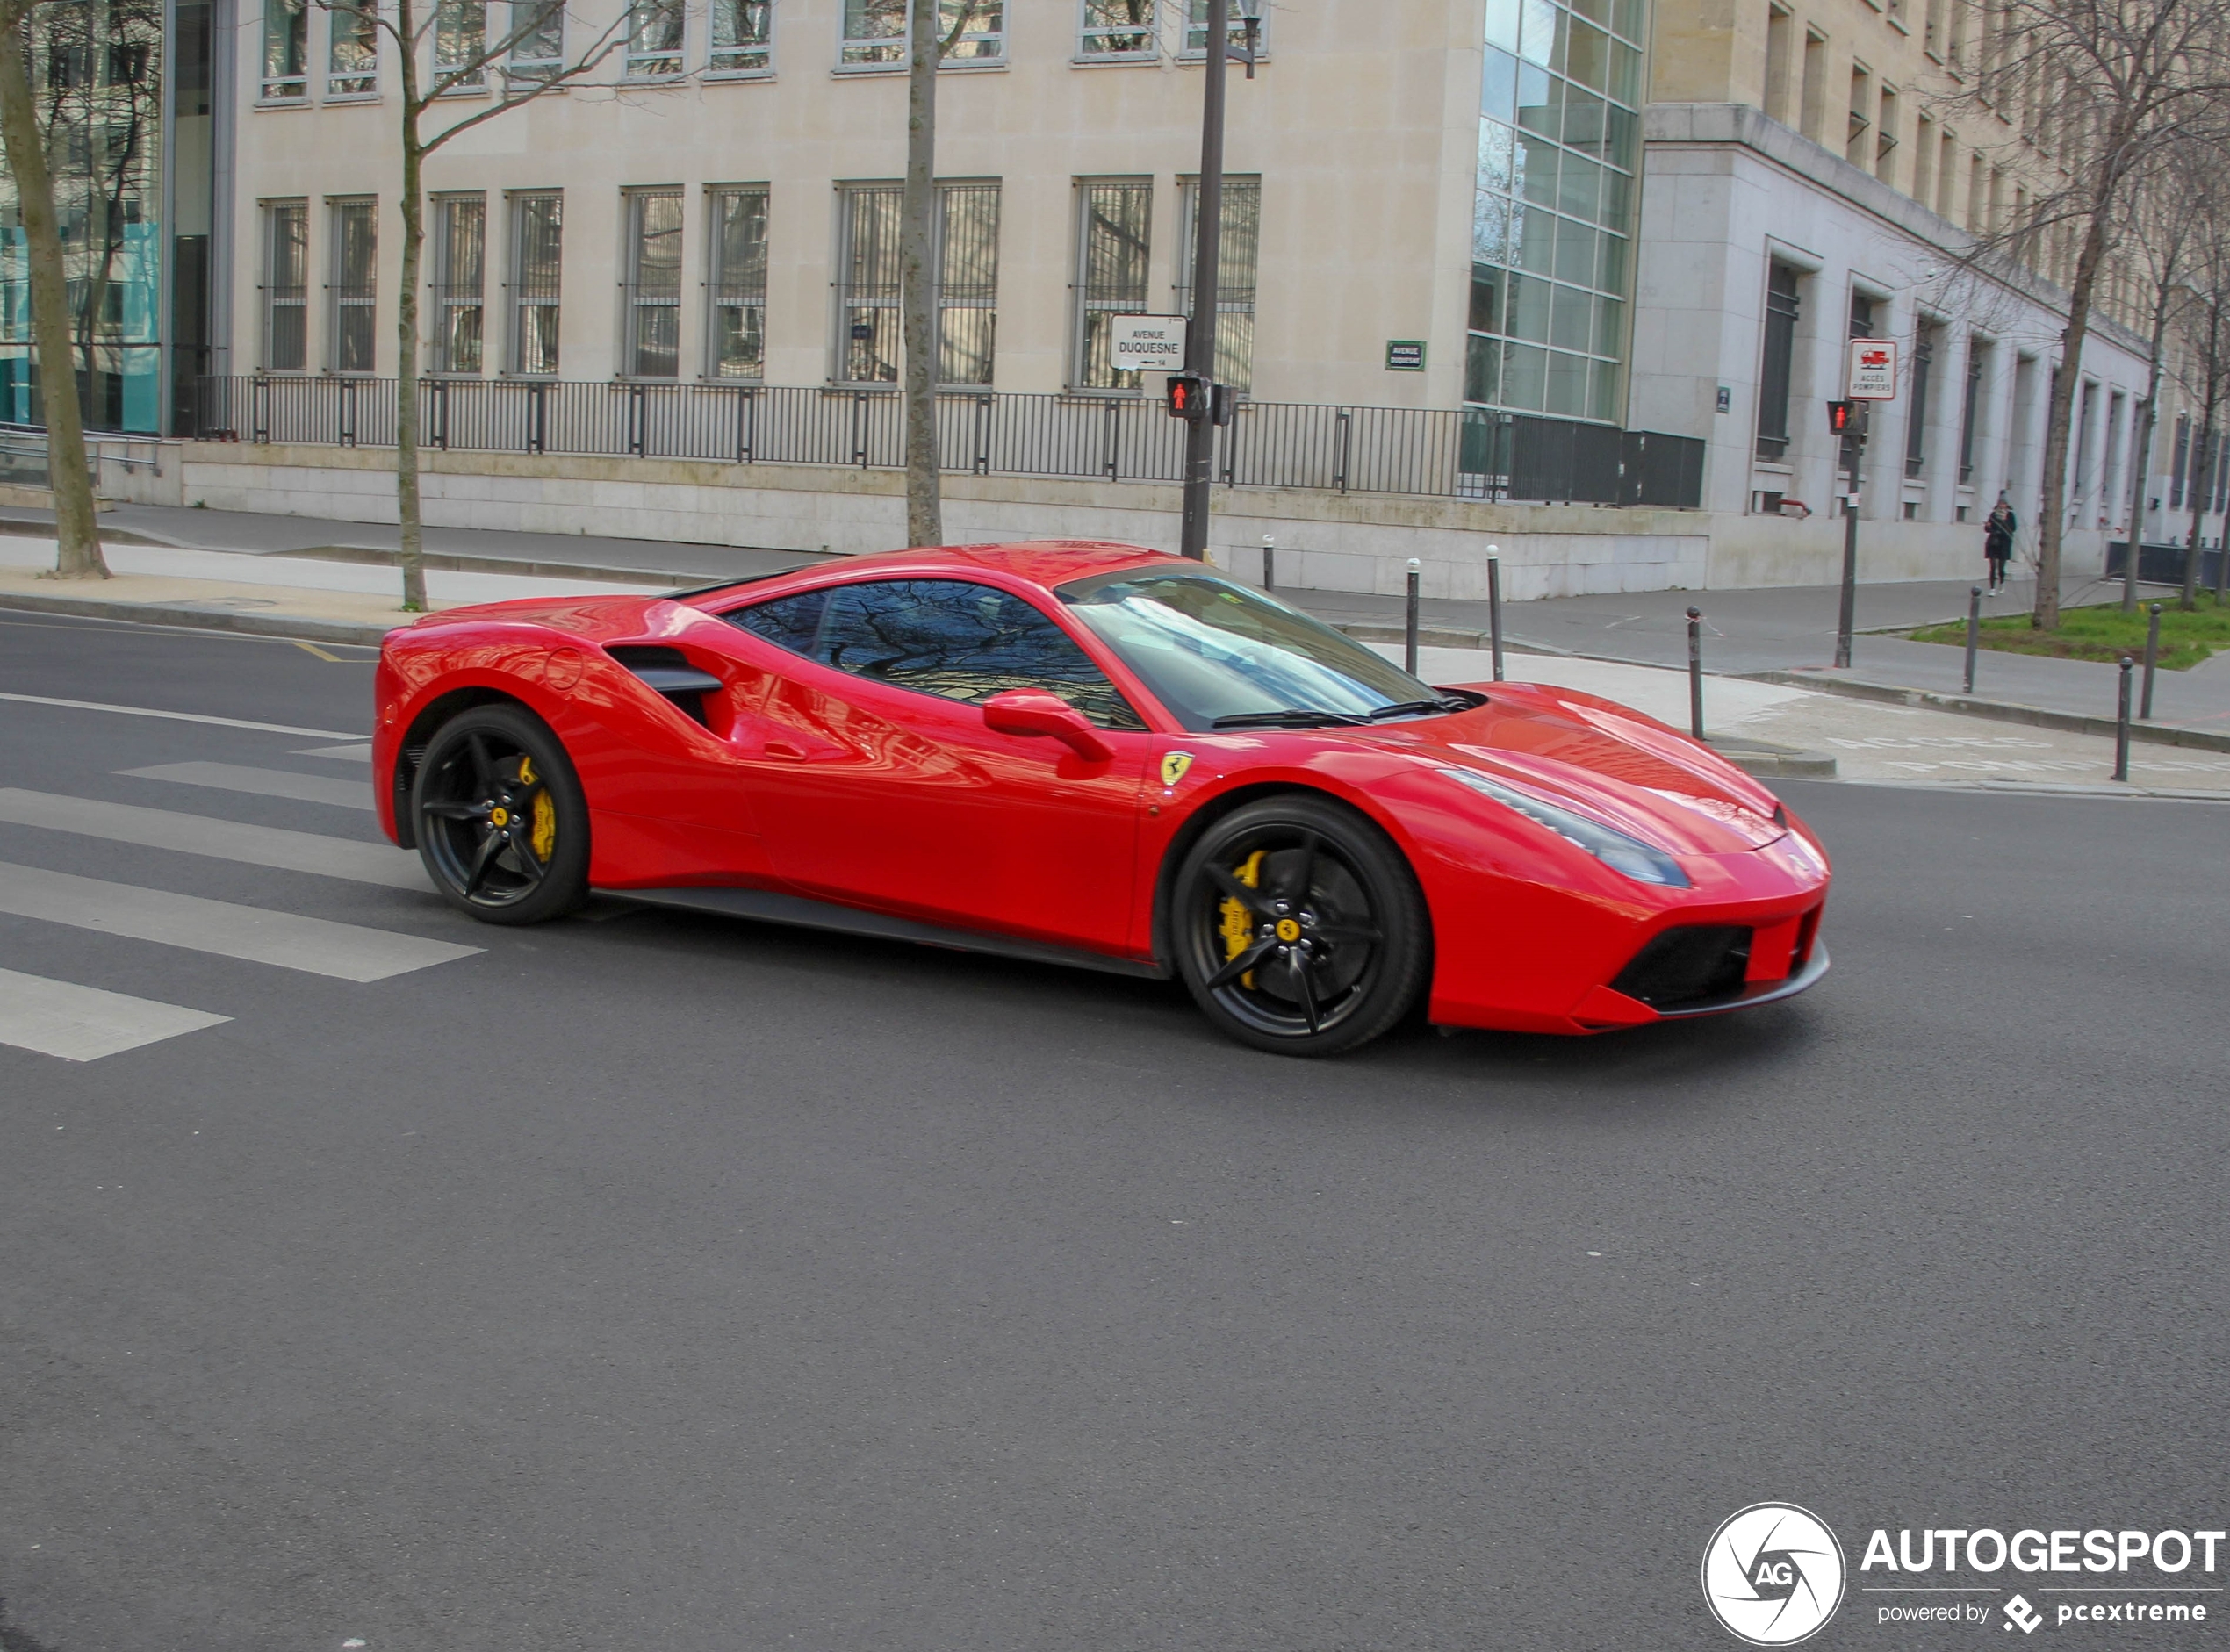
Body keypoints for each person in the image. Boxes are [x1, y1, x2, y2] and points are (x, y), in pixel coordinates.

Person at [1983, 495, 2018, 593]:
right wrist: (1988, 526)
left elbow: (2013, 528)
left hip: (2004, 544)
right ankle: (1992, 588)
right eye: (2000, 504)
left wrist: (2005, 521)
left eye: (2004, 504)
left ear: (2007, 505)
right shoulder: (1993, 515)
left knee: (2001, 568)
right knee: (1993, 566)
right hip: (1993, 543)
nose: (2002, 506)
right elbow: (1987, 529)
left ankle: (2002, 583)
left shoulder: (2010, 515)